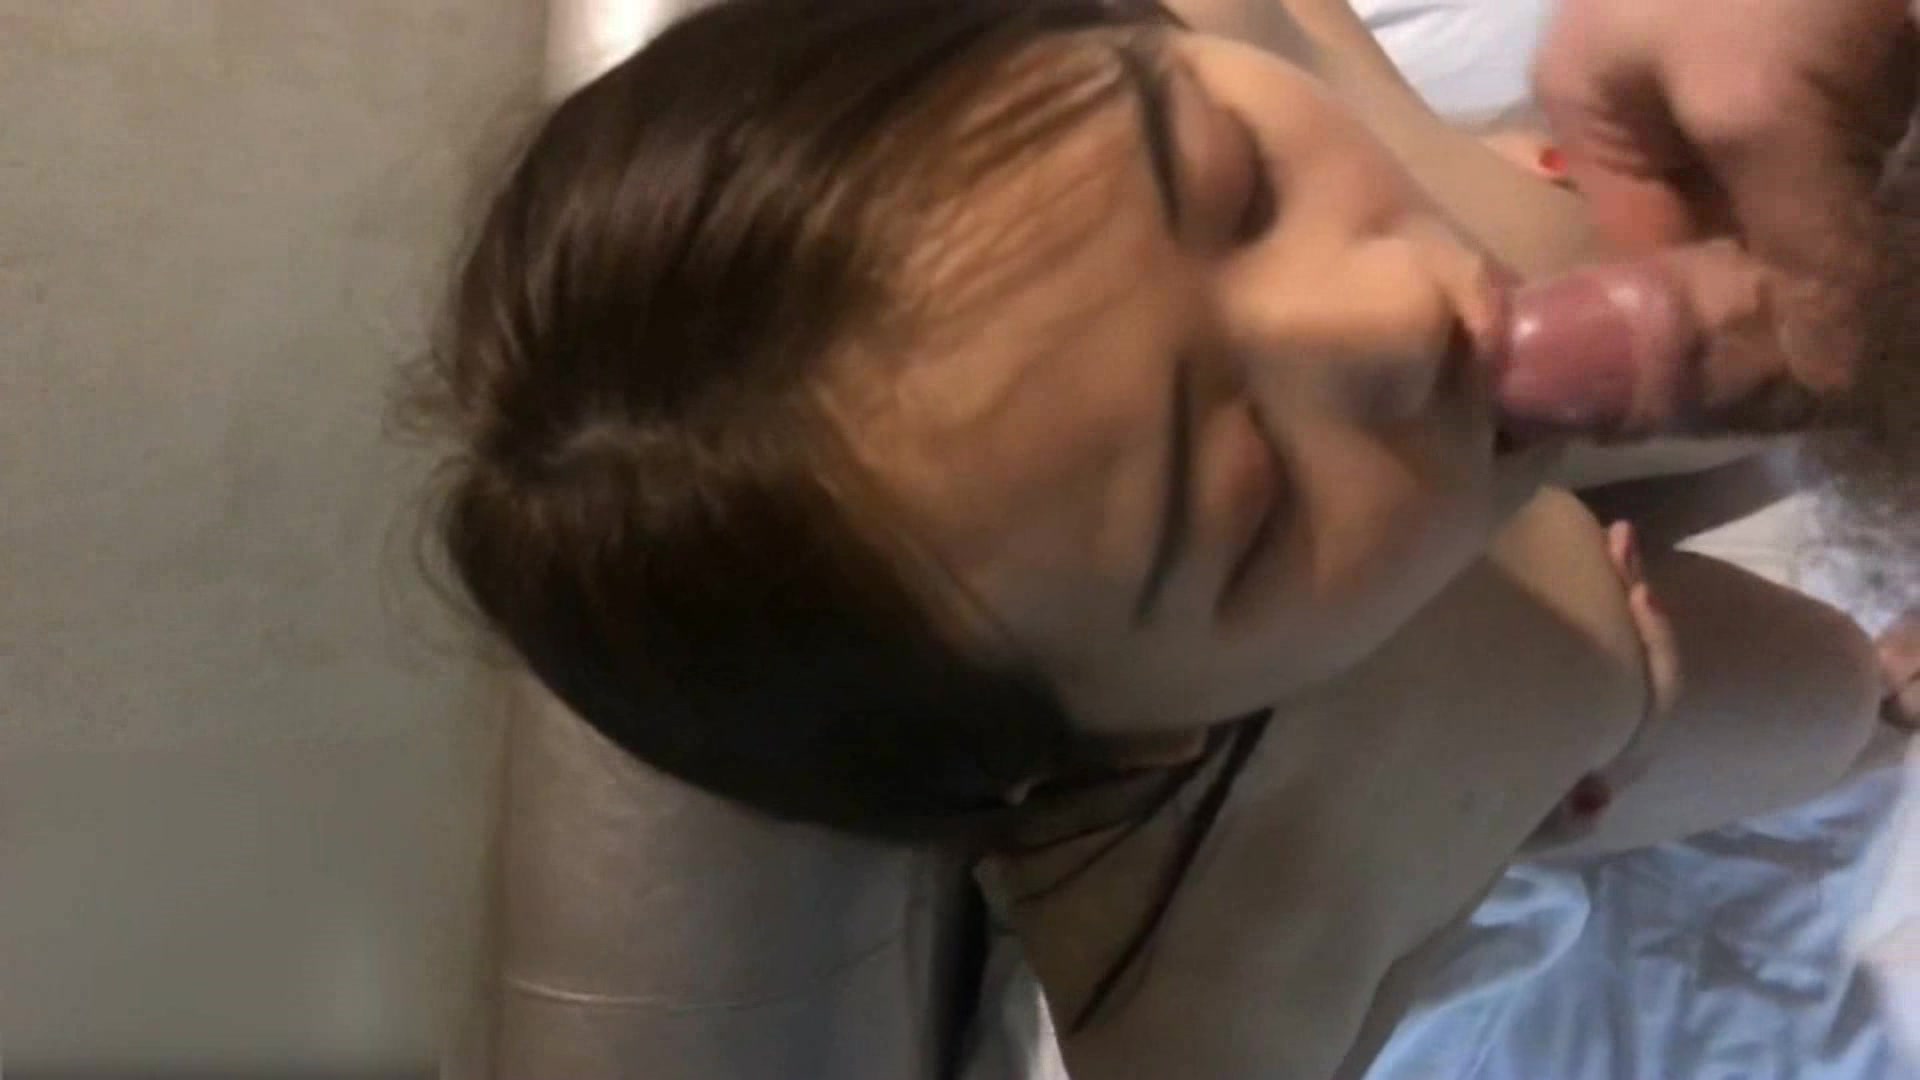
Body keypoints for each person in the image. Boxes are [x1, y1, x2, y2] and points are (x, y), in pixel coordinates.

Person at [408, 0, 1906, 1073]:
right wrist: (1572, 756)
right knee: (1825, 696)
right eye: (1252, 504)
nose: (1395, 314)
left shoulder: (1218, 37)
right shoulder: (1221, 948)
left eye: (1237, 188)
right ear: (1119, 744)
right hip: (1536, 709)